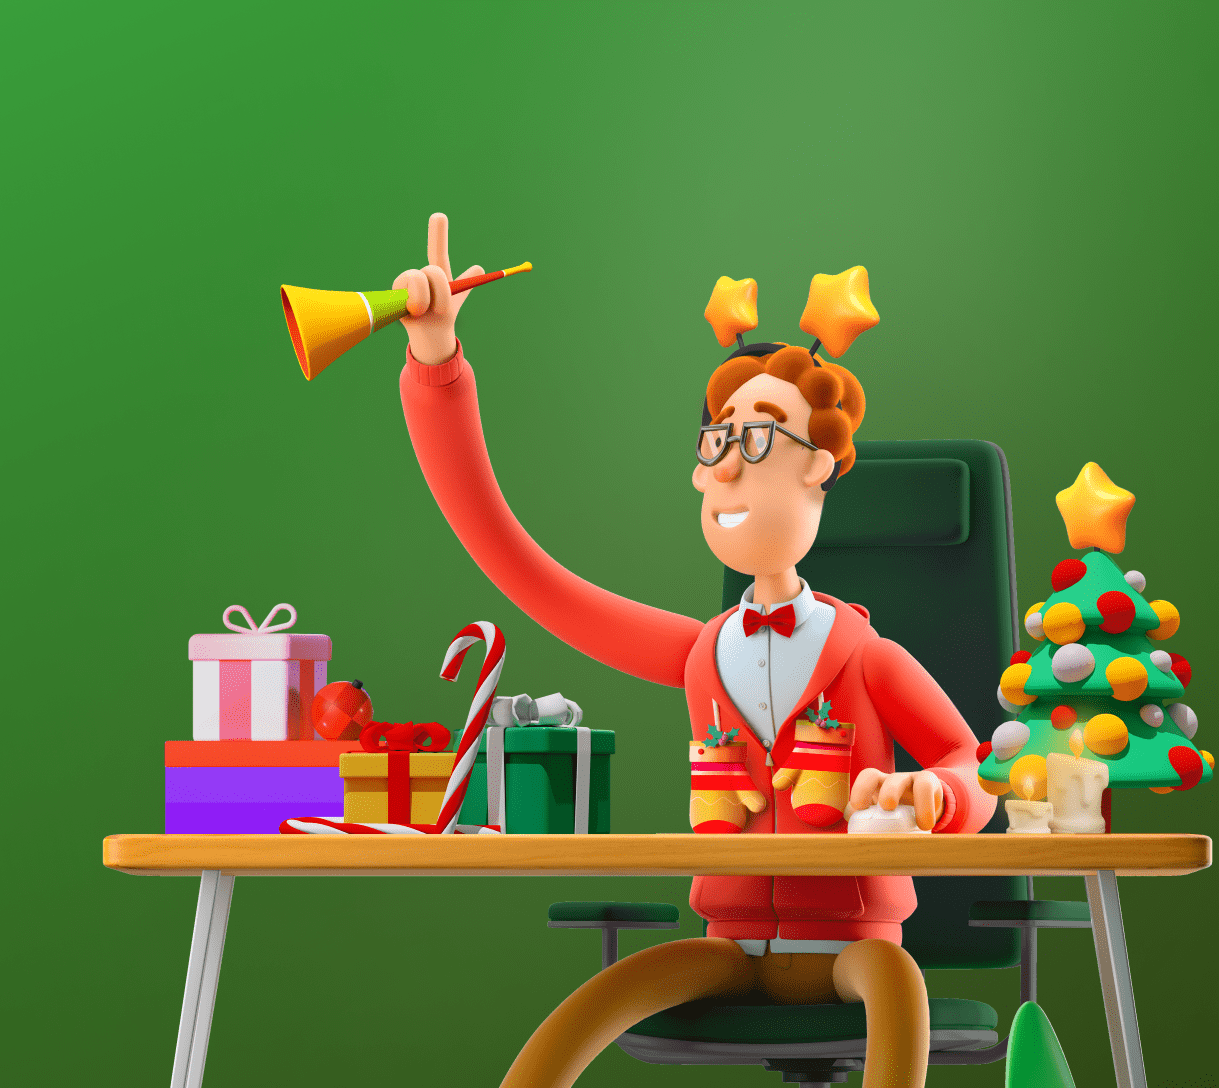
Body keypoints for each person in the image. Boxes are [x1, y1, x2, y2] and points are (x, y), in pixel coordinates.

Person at [389, 213, 996, 1088]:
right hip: (727, 944)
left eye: (754, 441)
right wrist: (436, 365)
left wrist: (935, 792)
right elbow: (515, 562)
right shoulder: (698, 654)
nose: (722, 470)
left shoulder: (866, 656)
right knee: (574, 1024)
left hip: (857, 949)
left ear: (819, 468)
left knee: (901, 998)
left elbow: (967, 762)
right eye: (716, 441)